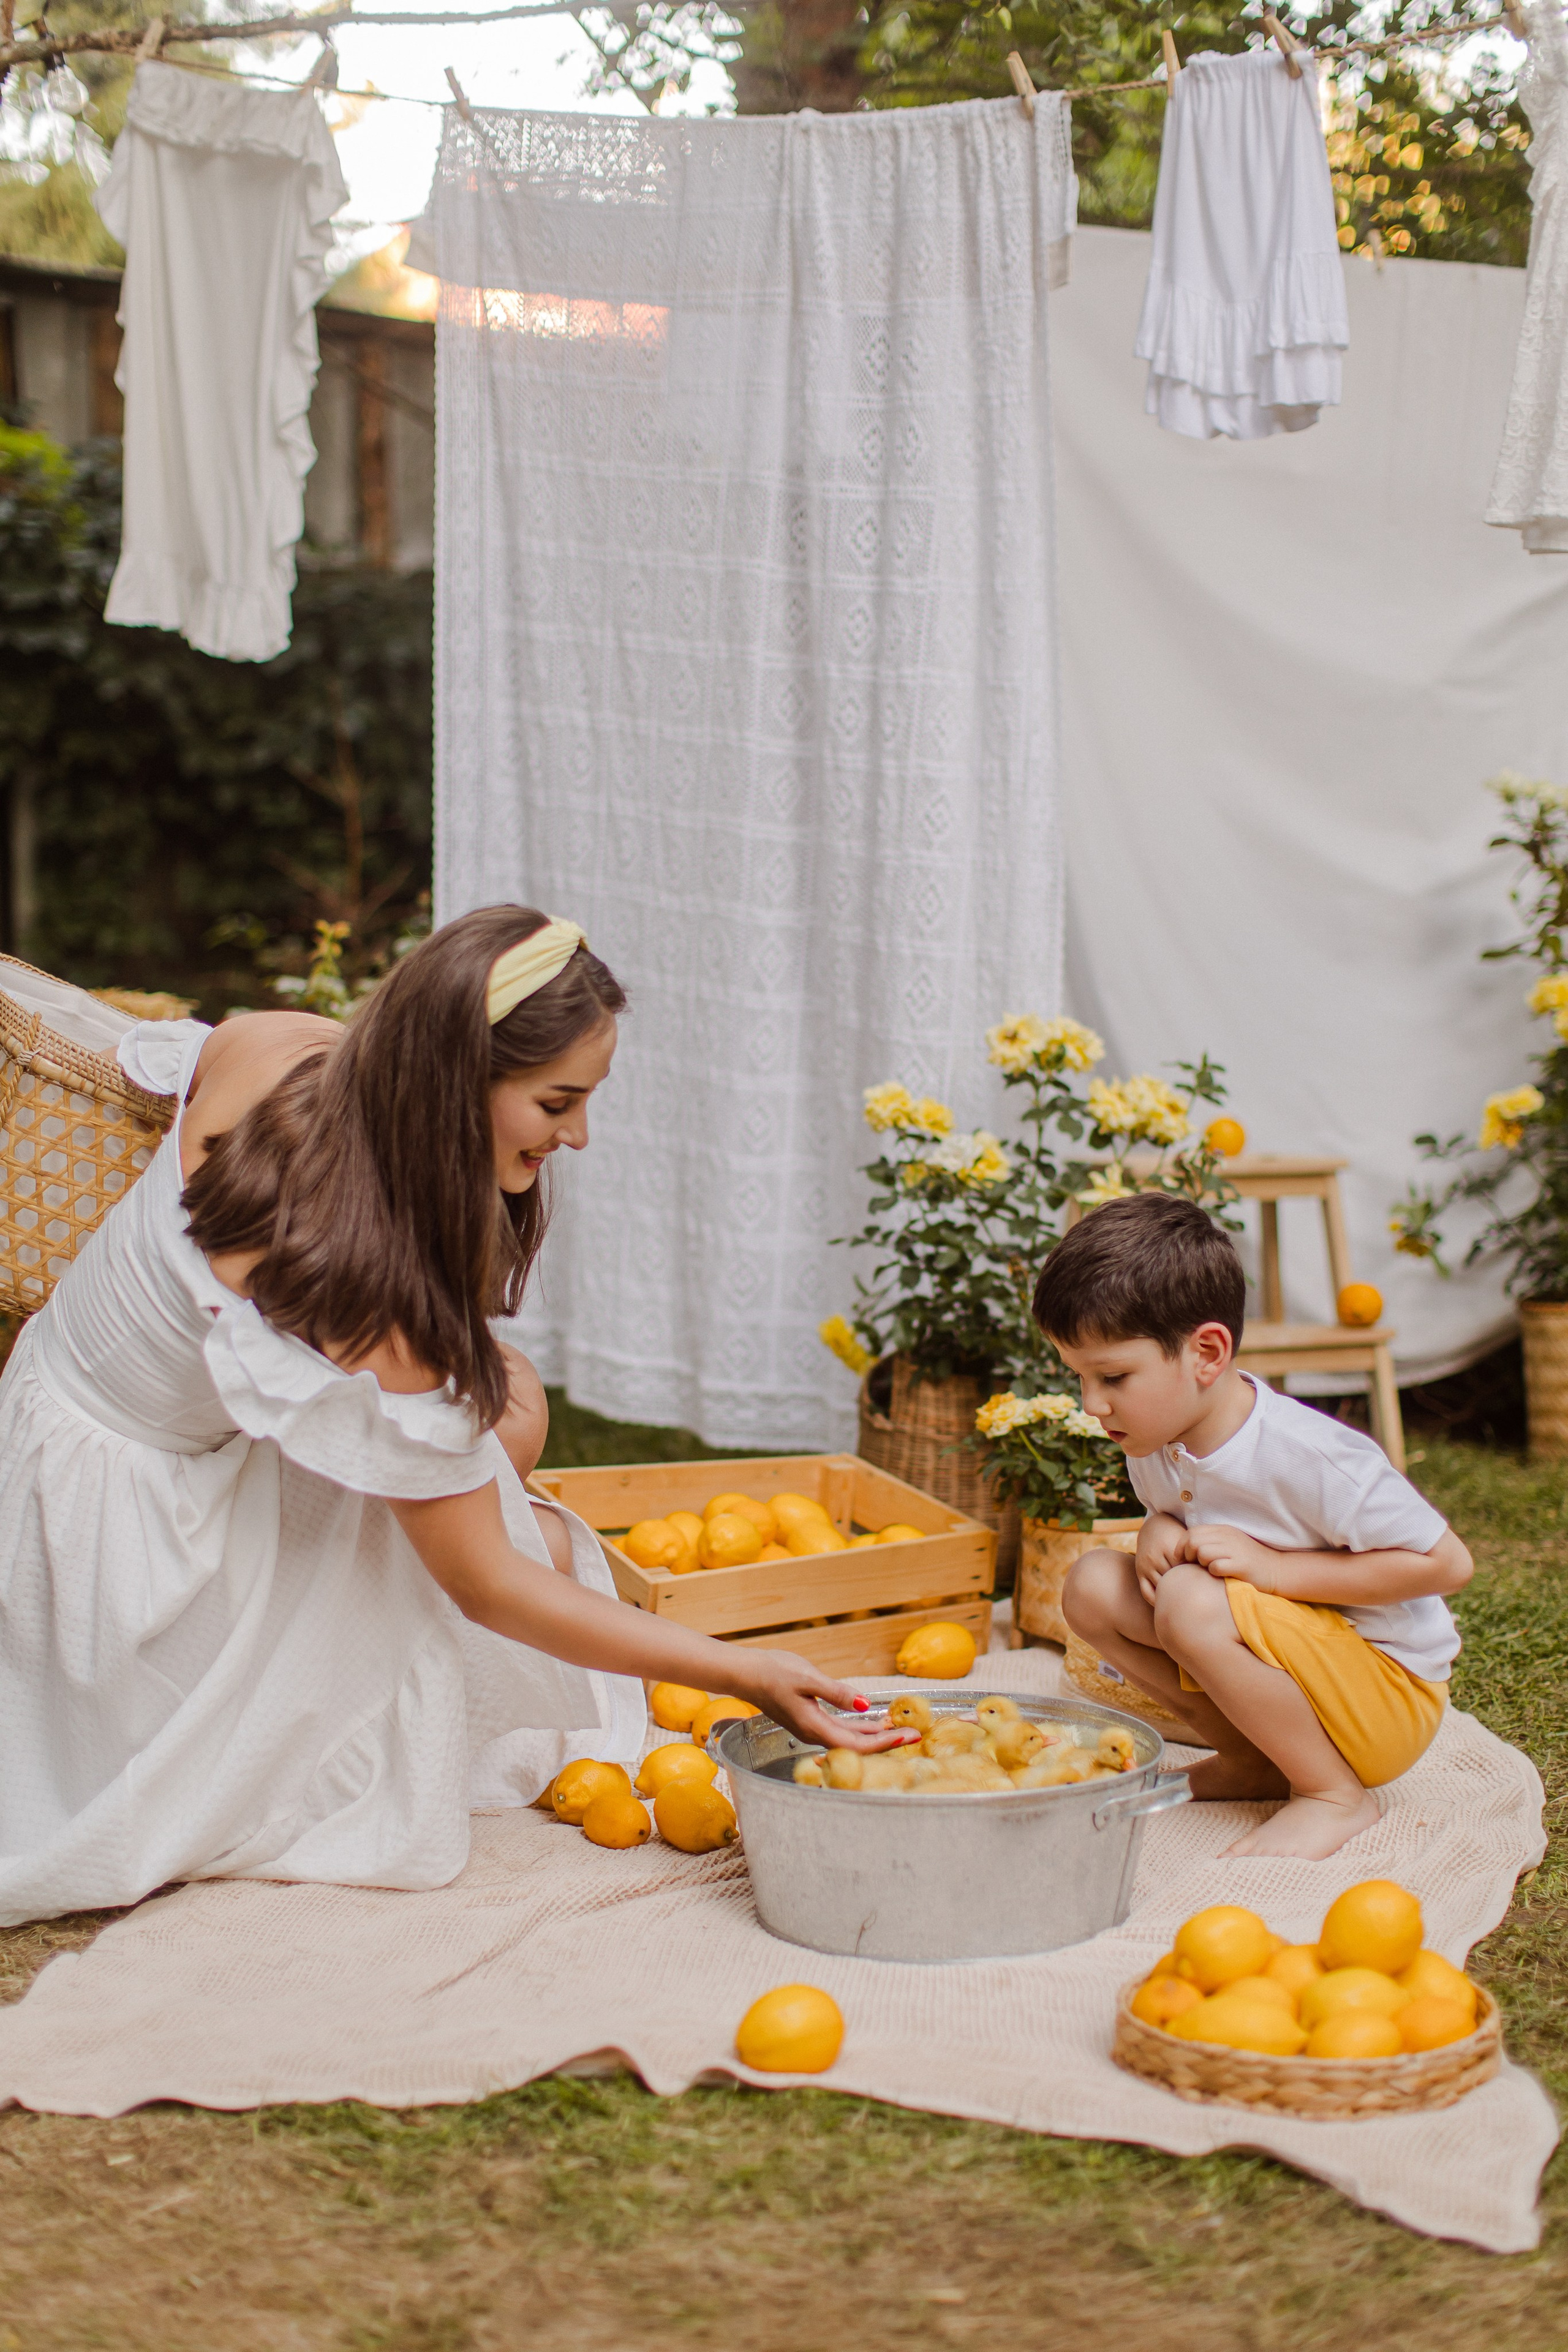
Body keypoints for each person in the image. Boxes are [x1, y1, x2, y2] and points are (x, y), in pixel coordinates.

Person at [0, 906, 894, 1929]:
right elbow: (487, 1585)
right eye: (556, 1102)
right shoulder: (371, 1284)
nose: (579, 1135)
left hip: (43, 1422)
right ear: (456, 1080)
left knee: (506, 1415)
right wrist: (743, 1668)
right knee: (517, 1543)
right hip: (110, 1553)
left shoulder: (287, 1049)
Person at [1036, 1193, 1472, 1861]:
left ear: (1207, 1353)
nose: (1092, 1403)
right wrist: (1158, 1528)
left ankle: (1332, 1794)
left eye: (1113, 1376)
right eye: (1080, 1378)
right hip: (1299, 1687)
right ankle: (1252, 1760)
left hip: (1385, 1699)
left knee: (1189, 1601)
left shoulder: (1310, 1455)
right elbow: (1191, 1519)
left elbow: (1447, 1564)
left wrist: (1276, 1570)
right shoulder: (1156, 1440)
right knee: (1093, 1584)